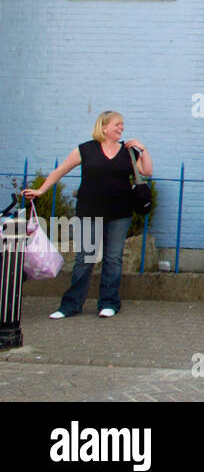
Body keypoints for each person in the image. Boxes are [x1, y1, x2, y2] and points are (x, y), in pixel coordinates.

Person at [22, 111, 153, 319]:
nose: (121, 128)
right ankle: (70, 305)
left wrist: (143, 150)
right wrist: (41, 191)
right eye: (117, 125)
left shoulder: (128, 152)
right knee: (85, 258)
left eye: (122, 125)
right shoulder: (85, 149)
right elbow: (60, 170)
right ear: (104, 127)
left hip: (120, 213)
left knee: (113, 259)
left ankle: (109, 302)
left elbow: (147, 171)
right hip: (89, 211)